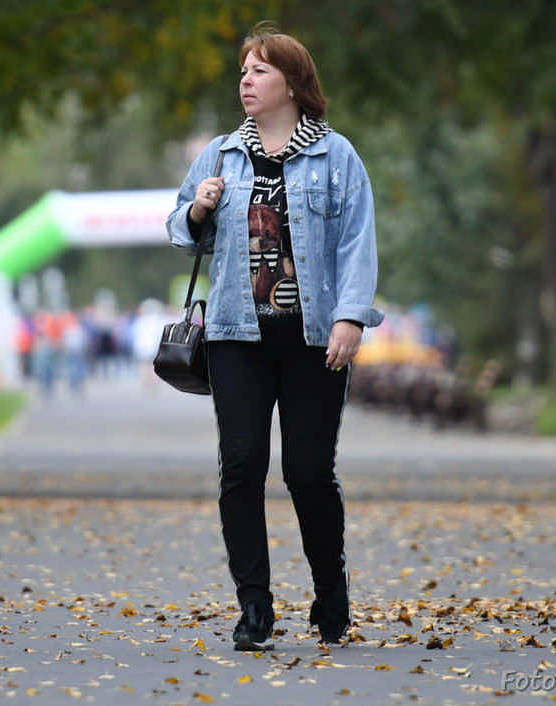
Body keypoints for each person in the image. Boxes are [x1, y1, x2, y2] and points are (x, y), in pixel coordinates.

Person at [166, 23, 383, 651]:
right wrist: (198, 208)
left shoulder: (336, 156)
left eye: (259, 70)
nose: (246, 81)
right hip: (236, 337)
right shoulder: (219, 155)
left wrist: (349, 317)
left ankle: (330, 590)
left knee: (310, 473)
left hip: (315, 338)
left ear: (293, 83)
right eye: (243, 72)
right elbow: (181, 232)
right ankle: (254, 605)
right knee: (241, 466)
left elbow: (357, 243)